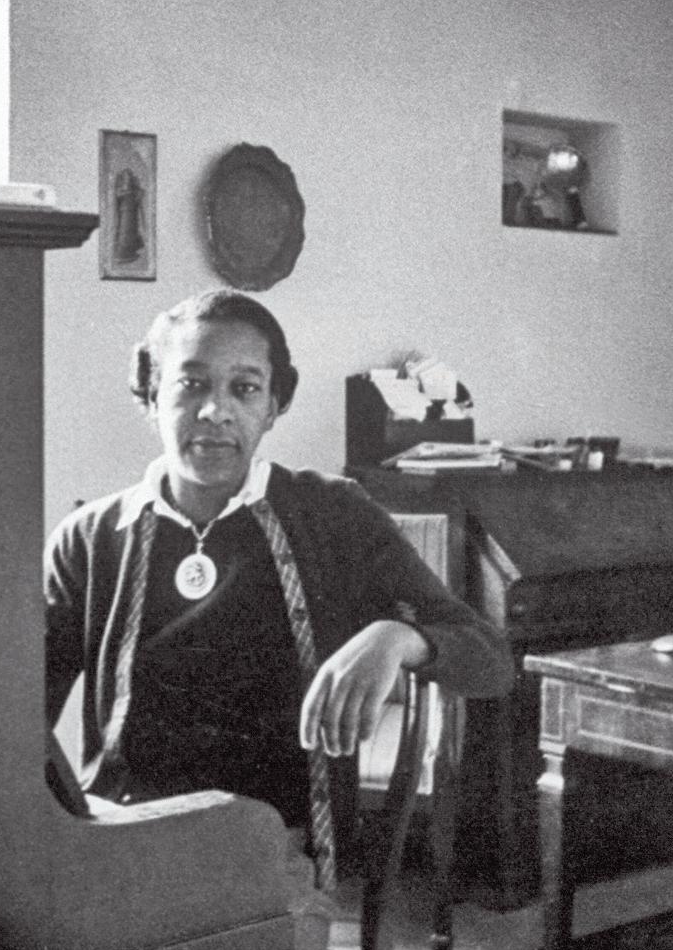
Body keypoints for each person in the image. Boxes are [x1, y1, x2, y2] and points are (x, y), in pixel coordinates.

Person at [44, 289, 514, 895]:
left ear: (273, 406)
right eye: (190, 385)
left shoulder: (332, 514)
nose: (215, 411)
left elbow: (490, 660)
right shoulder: (89, 539)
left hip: (275, 860)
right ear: (152, 396)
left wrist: (397, 637)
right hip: (124, 854)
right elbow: (15, 717)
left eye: (244, 388)